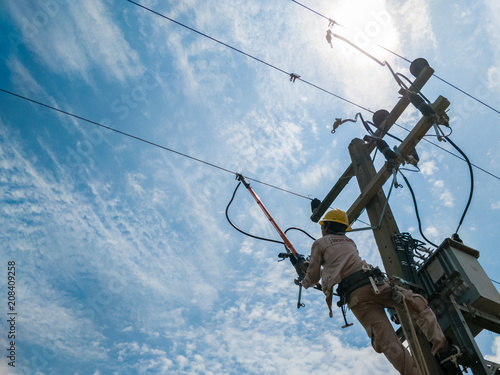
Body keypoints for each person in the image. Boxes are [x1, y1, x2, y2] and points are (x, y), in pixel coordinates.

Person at [300, 208, 456, 375]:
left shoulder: (319, 243)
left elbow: (314, 276)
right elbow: (342, 265)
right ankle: (443, 350)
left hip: (357, 299)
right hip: (375, 284)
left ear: (328, 226)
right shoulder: (349, 241)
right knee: (419, 305)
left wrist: (304, 276)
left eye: (323, 226)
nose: (322, 230)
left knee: (389, 344)